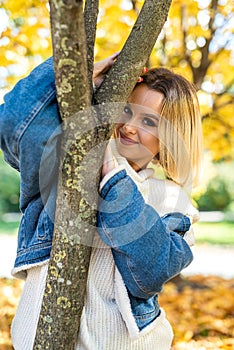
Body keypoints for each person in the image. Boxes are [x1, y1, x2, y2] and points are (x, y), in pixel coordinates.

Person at [0, 58, 203, 349]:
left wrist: (115, 181)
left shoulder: (174, 202)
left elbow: (149, 272)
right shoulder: (71, 165)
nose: (129, 127)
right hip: (43, 338)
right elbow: (13, 124)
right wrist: (71, 73)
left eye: (148, 121)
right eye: (126, 110)